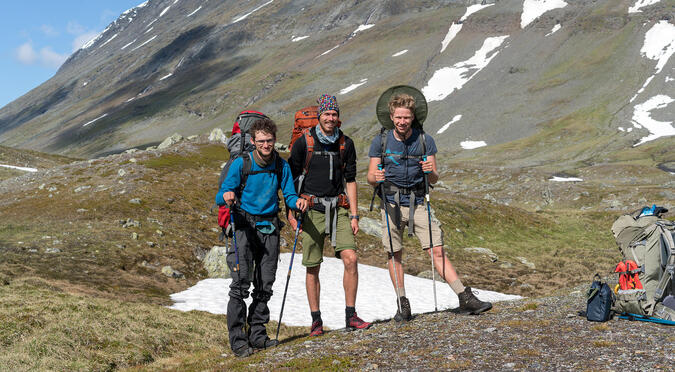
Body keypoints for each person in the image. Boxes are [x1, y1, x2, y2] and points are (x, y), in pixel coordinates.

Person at [366, 91, 492, 321]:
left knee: (436, 249)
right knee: (394, 253)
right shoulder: (381, 141)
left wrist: (430, 171)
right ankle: (402, 304)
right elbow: (370, 178)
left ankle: (464, 297)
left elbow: (434, 178)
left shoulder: (425, 140)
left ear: (413, 117)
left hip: (419, 202)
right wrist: (377, 176)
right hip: (391, 203)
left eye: (407, 117)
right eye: (399, 117)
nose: (403, 122)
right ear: (391, 117)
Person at [216, 117, 308, 357]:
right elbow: (220, 195)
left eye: (269, 141)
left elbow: (288, 193)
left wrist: (295, 201)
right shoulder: (241, 164)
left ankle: (257, 336)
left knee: (265, 285)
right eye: (261, 141)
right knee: (240, 285)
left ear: (274, 140)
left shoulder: (281, 165)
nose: (266, 145)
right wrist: (227, 196)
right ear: (254, 142)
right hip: (243, 227)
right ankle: (238, 341)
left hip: (269, 228)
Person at [288, 94, 371, 336]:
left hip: (339, 209)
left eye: (334, 114)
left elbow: (351, 180)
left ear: (338, 117)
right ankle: (316, 321)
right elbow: (290, 180)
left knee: (351, 259)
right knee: (313, 266)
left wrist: (355, 215)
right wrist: (291, 214)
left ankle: (351, 316)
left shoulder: (346, 143)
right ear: (319, 116)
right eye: (326, 114)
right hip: (310, 210)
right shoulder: (303, 143)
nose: (330, 118)